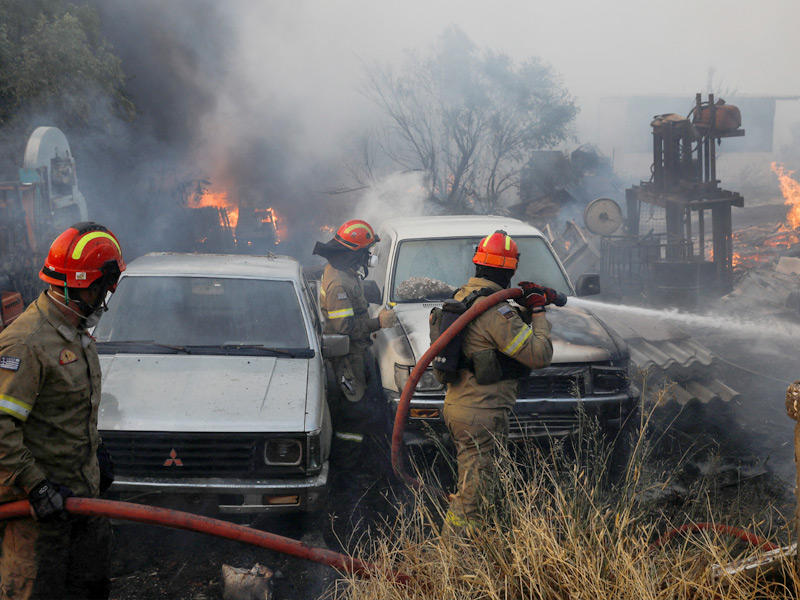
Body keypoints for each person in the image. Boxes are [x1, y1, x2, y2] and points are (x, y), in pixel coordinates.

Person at [0, 222, 124, 599]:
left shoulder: (75, 331)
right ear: (87, 285)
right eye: (104, 289)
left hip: (83, 510)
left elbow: (68, 412)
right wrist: (35, 486)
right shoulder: (26, 343)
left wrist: (96, 451)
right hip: (39, 522)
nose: (105, 298)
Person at [443, 230, 553, 531]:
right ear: (510, 269)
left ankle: (472, 551)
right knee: (471, 502)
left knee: (474, 489)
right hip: (481, 412)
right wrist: (539, 312)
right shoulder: (495, 311)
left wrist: (525, 312)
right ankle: (453, 563)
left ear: (478, 264)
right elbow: (539, 355)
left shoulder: (462, 297)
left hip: (461, 405)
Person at [313, 219, 396, 453]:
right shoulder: (339, 283)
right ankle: (351, 465)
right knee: (354, 411)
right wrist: (377, 322)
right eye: (366, 251)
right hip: (347, 357)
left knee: (364, 407)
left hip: (356, 352)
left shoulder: (345, 273)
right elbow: (344, 327)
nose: (369, 256)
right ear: (353, 253)